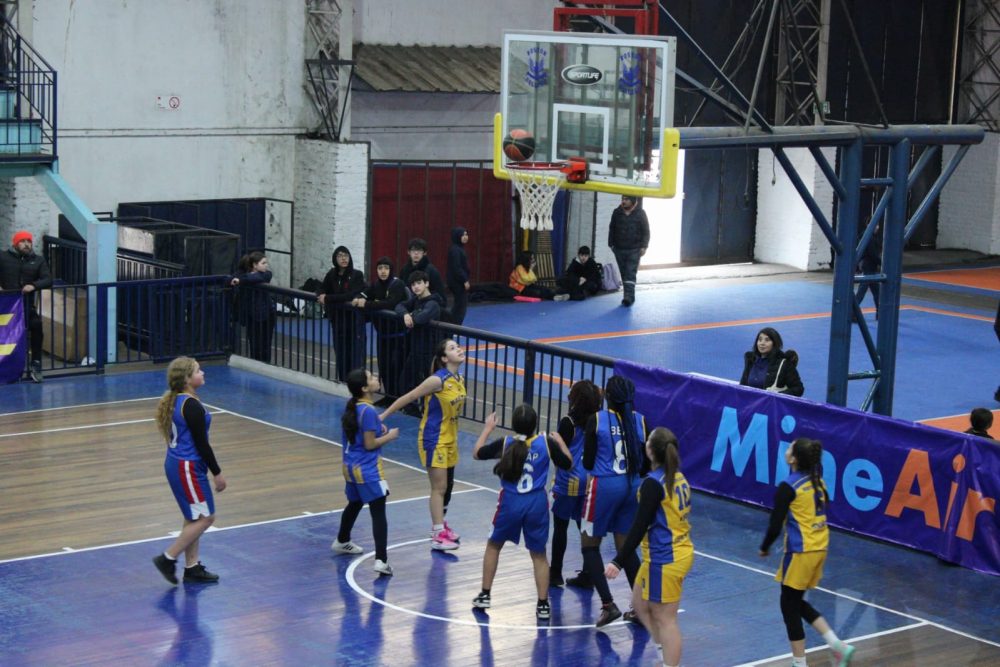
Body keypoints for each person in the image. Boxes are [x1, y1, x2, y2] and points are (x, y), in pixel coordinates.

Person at [759, 438, 856, 667]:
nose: (787, 449)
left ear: (793, 458)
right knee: (795, 601)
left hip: (802, 551)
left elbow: (774, 525)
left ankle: (800, 663)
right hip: (820, 547)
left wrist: (764, 548)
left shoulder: (788, 486)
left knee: (788, 605)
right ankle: (837, 646)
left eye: (790, 447)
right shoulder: (817, 481)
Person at [471, 405, 573, 620]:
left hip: (510, 501)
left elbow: (477, 453)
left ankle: (485, 594)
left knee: (493, 546)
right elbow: (568, 463)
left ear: (514, 424)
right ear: (536, 424)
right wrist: (561, 442)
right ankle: (543, 604)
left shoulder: (506, 443)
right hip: (536, 503)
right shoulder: (546, 443)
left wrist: (488, 429)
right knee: (539, 555)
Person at [605, 427, 693, 667]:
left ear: (650, 450)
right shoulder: (678, 476)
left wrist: (617, 561)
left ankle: (670, 664)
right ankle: (665, 655)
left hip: (667, 557)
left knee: (666, 619)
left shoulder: (653, 485)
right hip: (670, 552)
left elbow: (639, 526)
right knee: (640, 606)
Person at [381, 338, 466, 551]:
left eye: (458, 346)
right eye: (453, 348)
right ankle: (437, 534)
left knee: (449, 486)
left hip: (450, 438)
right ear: (445, 358)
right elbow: (408, 396)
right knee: (439, 487)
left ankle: (441, 525)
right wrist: (382, 416)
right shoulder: (437, 381)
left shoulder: (459, 379)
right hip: (433, 438)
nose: (459, 349)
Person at [579, 374, 649, 627]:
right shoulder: (640, 421)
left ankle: (608, 605)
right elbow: (646, 465)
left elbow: (588, 462)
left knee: (589, 544)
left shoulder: (597, 420)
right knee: (626, 548)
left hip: (604, 485)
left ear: (607, 396)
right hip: (632, 486)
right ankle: (642, 608)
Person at [152, 356, 227, 585]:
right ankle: (167, 558)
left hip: (177, 463)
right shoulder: (191, 405)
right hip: (187, 467)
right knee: (206, 517)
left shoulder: (175, 399)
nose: (203, 373)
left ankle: (192, 567)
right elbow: (202, 444)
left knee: (193, 516)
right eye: (198, 371)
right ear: (186, 379)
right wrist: (218, 473)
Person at [331, 368, 401, 576]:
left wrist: (381, 430)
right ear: (364, 388)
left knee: (355, 503)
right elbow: (370, 444)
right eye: (371, 378)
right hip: (368, 470)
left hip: (350, 467)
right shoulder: (369, 411)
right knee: (378, 511)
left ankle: (342, 540)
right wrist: (390, 436)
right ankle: (381, 559)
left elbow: (362, 435)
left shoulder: (354, 407)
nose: (376, 378)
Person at [551, 379, 603, 588]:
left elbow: (560, 457)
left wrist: (557, 441)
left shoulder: (567, 422)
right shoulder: (598, 420)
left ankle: (555, 572)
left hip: (569, 480)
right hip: (590, 479)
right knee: (586, 529)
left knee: (560, 527)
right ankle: (589, 573)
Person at [354, 256, 410, 406]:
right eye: (380, 268)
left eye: (386, 268)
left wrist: (368, 304)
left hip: (399, 336)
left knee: (397, 366)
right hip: (383, 335)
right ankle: (389, 396)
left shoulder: (397, 284)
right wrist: (359, 298)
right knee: (384, 366)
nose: (383, 271)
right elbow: (366, 294)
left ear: (391, 270)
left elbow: (391, 303)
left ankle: (401, 399)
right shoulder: (376, 285)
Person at [0, 230, 53, 382]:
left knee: (36, 326)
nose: (26, 244)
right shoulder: (3, 257)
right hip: (4, 307)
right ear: (15, 243)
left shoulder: (38, 260)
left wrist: (34, 285)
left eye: (28, 241)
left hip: (25, 307)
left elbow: (48, 279)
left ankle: (35, 364)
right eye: (22, 241)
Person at [394, 270, 447, 408]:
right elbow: (399, 306)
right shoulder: (416, 300)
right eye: (413, 285)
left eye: (419, 283)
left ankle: (427, 410)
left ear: (427, 283)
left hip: (429, 352)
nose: (416, 287)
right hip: (416, 349)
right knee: (406, 381)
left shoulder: (433, 303)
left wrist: (412, 314)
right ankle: (413, 409)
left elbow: (421, 318)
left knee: (428, 383)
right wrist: (406, 314)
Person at [316, 246, 366, 382]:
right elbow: (321, 288)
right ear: (335, 259)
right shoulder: (332, 274)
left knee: (354, 356)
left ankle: (355, 386)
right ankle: (343, 381)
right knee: (341, 354)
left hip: (353, 322)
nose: (344, 259)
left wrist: (328, 298)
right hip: (337, 321)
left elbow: (349, 295)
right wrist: (321, 295)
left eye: (346, 256)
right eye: (340, 256)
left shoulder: (357, 275)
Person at [230, 250, 276, 363]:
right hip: (253, 315)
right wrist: (240, 279)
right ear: (255, 265)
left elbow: (256, 278)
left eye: (266, 263)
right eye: (263, 263)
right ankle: (257, 363)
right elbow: (235, 276)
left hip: (267, 314)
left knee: (266, 343)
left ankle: (265, 364)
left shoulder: (265, 274)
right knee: (254, 343)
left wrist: (241, 280)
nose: (266, 265)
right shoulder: (244, 274)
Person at [608, 195, 649, 307]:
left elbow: (646, 231)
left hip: (634, 249)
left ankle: (629, 297)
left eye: (626, 200)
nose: (623, 201)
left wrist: (644, 246)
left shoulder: (641, 213)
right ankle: (627, 295)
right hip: (619, 248)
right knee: (624, 273)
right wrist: (610, 244)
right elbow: (612, 228)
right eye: (622, 199)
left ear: (633, 201)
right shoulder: (616, 212)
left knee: (630, 273)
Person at [740, 327, 805, 397]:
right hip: (750, 404)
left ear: (775, 343)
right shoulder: (751, 360)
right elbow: (743, 386)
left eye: (767, 340)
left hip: (770, 406)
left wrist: (777, 396)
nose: (762, 343)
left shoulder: (784, 364)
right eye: (760, 339)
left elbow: (798, 388)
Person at [446, 227, 471, 325]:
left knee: (459, 304)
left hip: (457, 281)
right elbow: (457, 268)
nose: (465, 237)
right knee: (460, 305)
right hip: (457, 282)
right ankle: (455, 326)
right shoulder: (455, 250)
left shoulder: (458, 248)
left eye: (466, 234)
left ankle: (453, 325)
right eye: (463, 235)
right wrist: (464, 280)